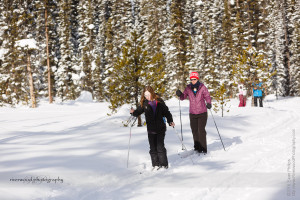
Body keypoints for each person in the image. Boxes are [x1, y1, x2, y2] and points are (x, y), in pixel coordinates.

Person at [130, 86, 175, 170]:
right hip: (151, 128)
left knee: (160, 147)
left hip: (161, 127)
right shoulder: (145, 103)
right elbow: (138, 112)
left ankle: (164, 165)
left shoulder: (159, 101)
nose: (147, 96)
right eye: (145, 95)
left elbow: (167, 112)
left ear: (152, 93)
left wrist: (170, 121)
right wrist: (133, 113)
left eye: (148, 94)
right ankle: (156, 165)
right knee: (153, 148)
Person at [176, 72, 212, 154]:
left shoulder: (202, 87)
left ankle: (203, 149)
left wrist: (209, 103)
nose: (193, 81)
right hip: (192, 113)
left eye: (194, 79)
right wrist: (180, 94)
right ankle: (197, 148)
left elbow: (207, 96)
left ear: (197, 79)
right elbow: (183, 97)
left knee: (201, 130)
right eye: (191, 79)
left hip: (202, 112)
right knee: (194, 131)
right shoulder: (188, 88)